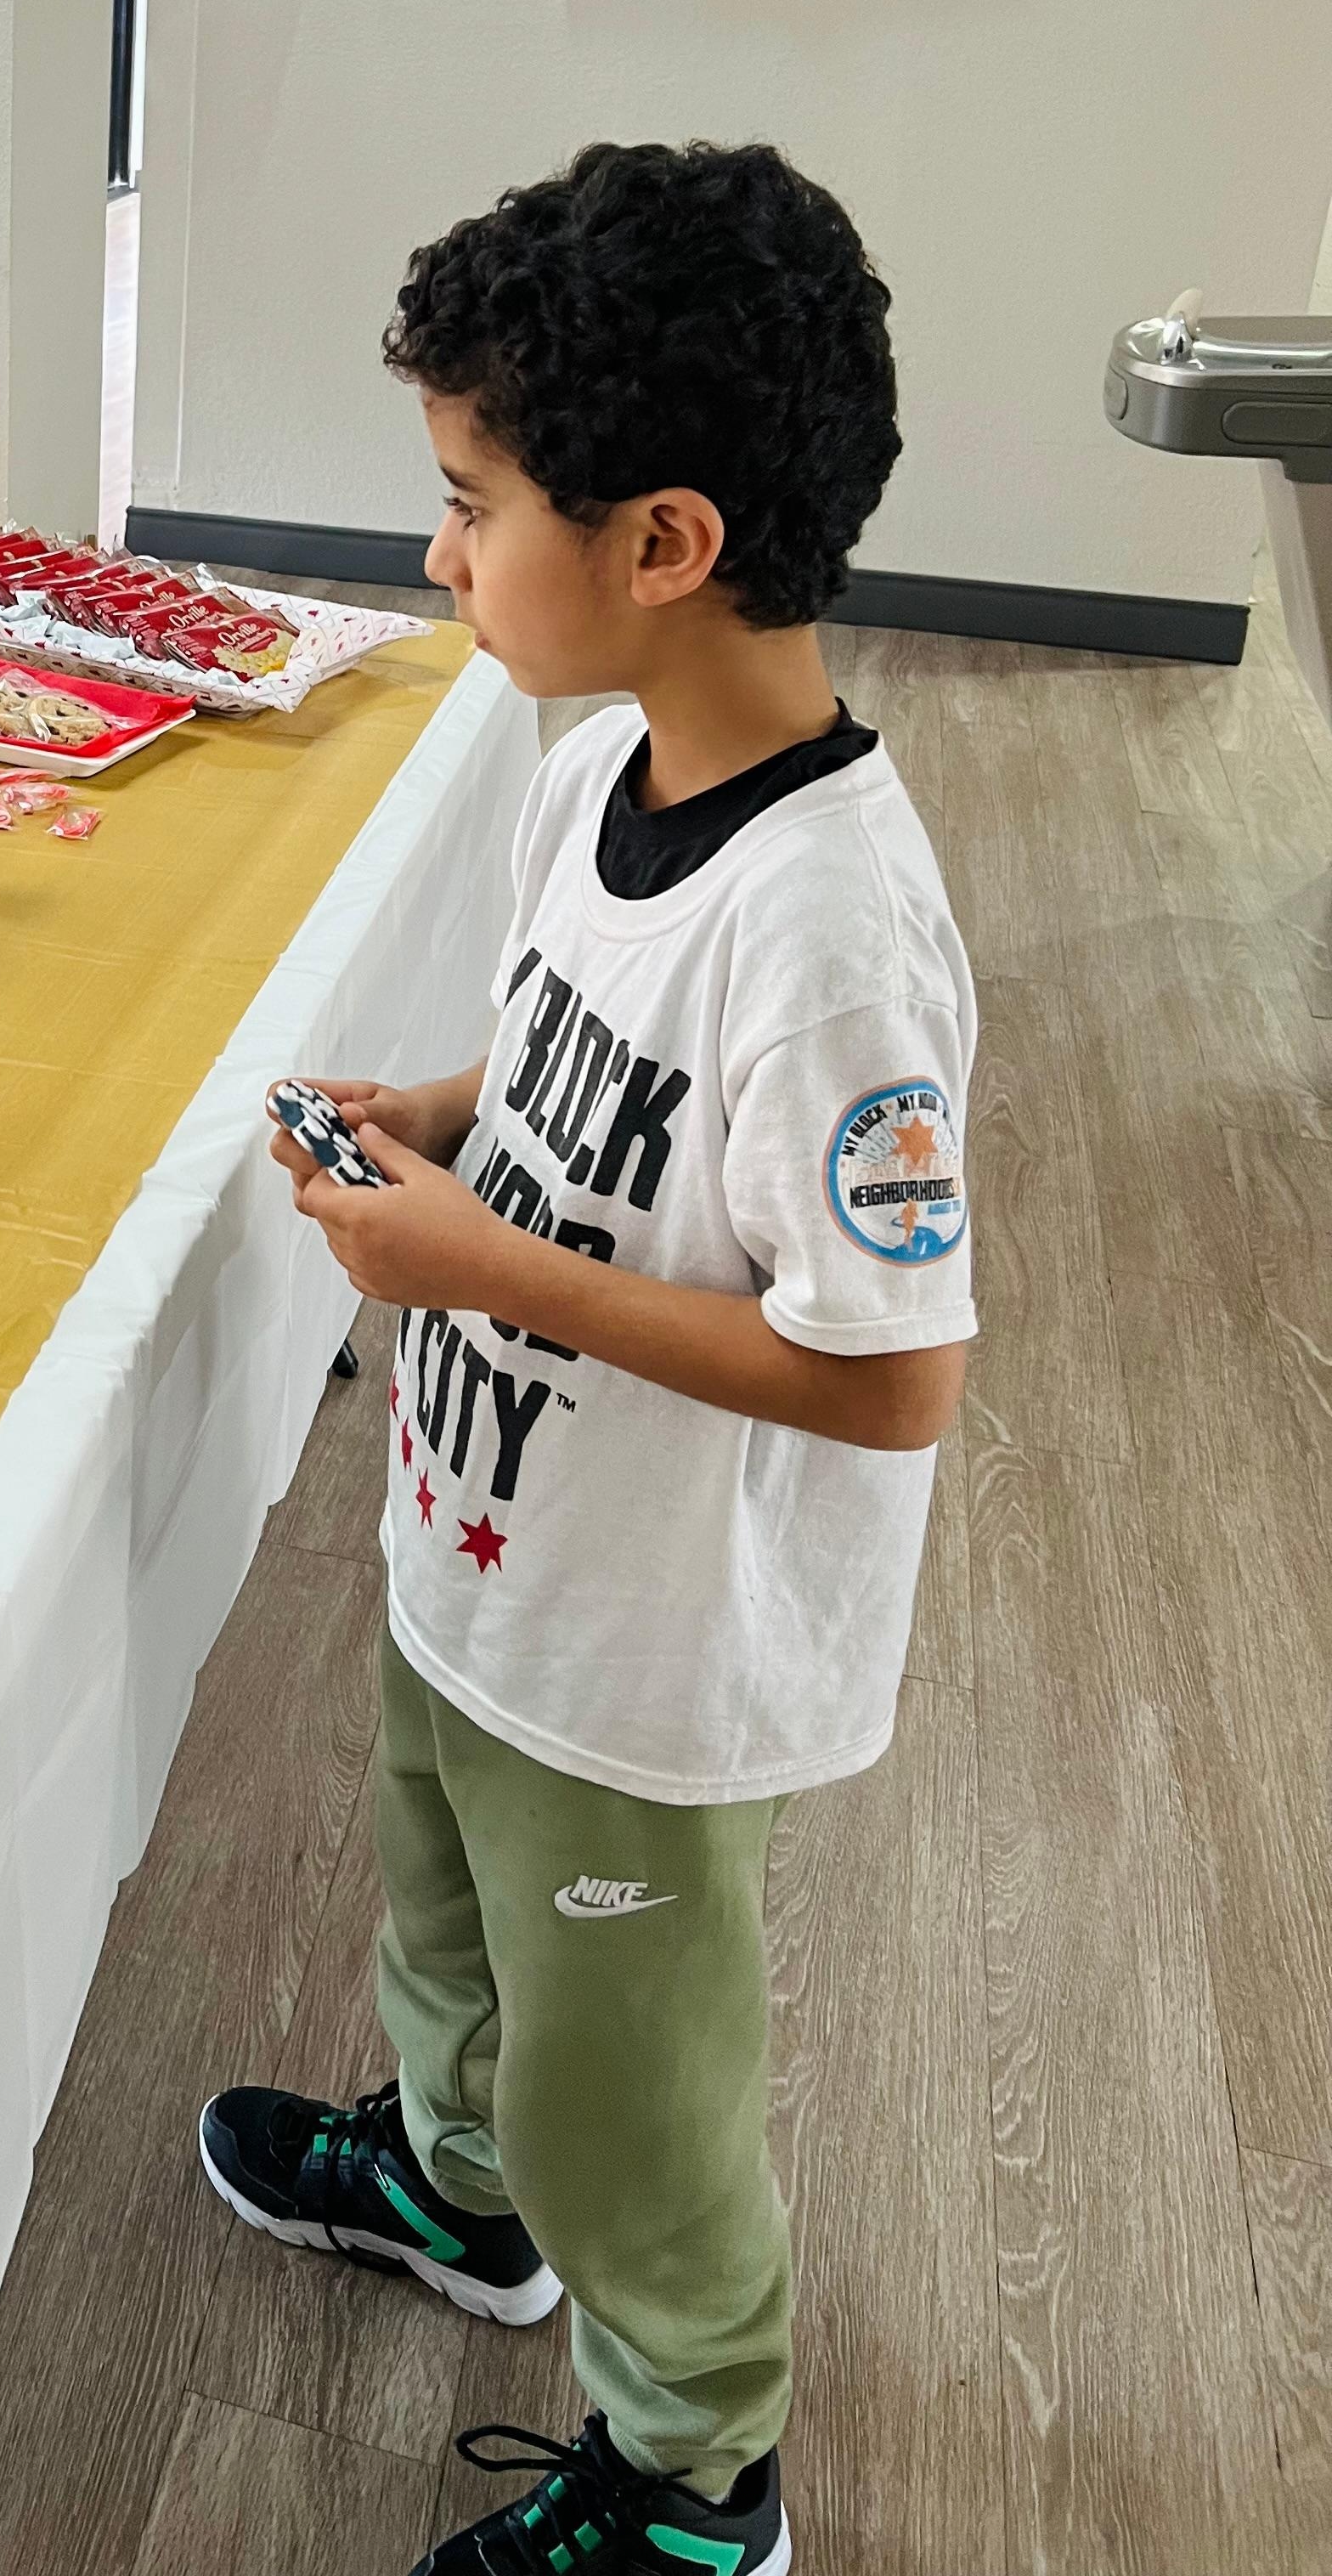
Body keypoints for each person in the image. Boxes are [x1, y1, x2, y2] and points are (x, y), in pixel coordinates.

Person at [200, 141, 976, 2576]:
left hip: (647, 1671)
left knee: (630, 2074)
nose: (439, 558)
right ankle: (454, 2194)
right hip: (486, 1551)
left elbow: (890, 1377)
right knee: (439, 1917)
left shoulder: (836, 931)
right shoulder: (590, 775)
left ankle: (699, 2471)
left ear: (660, 542)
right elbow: (574, 1086)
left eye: (469, 505)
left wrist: (484, 1275)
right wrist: (442, 1124)